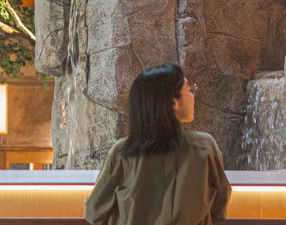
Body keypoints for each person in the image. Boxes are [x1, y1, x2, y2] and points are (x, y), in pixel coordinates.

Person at [85, 63, 230, 225]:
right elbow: (220, 207)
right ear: (174, 103)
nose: (193, 95)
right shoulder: (204, 148)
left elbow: (94, 212)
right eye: (189, 89)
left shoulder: (122, 152)